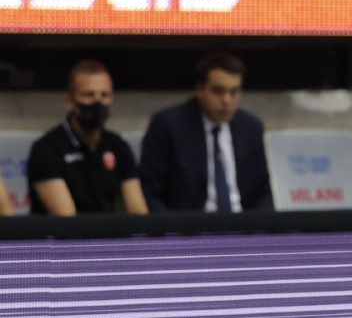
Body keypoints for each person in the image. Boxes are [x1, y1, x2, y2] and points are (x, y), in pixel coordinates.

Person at [139, 51, 272, 212]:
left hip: (243, 228)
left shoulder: (251, 128)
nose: (226, 100)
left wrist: (258, 229)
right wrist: (174, 232)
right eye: (218, 91)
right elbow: (150, 193)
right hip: (190, 229)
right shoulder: (169, 126)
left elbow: (264, 192)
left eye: (234, 92)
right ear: (200, 90)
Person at [29, 60, 149, 216]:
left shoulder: (118, 145)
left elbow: (139, 212)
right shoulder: (47, 149)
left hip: (111, 236)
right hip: (64, 239)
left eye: (104, 95)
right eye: (89, 95)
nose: (98, 102)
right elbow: (66, 220)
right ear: (70, 101)